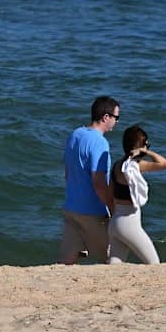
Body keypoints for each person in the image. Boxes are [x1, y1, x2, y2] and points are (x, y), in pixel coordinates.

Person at [60, 96, 120, 264]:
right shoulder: (99, 142)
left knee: (66, 261)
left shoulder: (75, 135)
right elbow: (99, 182)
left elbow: (68, 172)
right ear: (106, 117)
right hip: (92, 212)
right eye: (116, 117)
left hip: (71, 207)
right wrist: (112, 207)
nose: (116, 122)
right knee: (111, 256)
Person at [108, 125, 166, 264]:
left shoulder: (117, 166)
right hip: (129, 222)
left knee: (114, 268)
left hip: (115, 222)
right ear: (140, 146)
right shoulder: (136, 166)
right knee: (154, 263)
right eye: (146, 144)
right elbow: (165, 163)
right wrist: (146, 152)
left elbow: (110, 193)